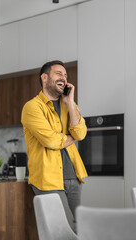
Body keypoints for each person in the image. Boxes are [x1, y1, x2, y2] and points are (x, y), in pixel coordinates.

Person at [21, 60, 88, 231]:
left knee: (82, 228)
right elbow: (50, 141)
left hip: (73, 176)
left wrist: (70, 102)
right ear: (44, 77)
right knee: (60, 229)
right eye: (59, 73)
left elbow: (81, 133)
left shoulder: (69, 106)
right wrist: (72, 136)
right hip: (47, 179)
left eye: (65, 75)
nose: (64, 78)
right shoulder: (32, 107)